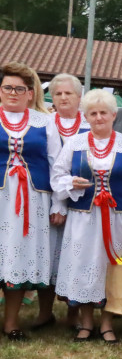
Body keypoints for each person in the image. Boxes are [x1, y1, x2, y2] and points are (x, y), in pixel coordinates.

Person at [53, 89, 122, 344]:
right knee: (85, 266)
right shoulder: (75, 143)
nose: (98, 117)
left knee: (112, 269)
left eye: (103, 112)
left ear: (113, 115)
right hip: (84, 218)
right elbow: (57, 176)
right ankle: (86, 322)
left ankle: (107, 323)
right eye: (93, 113)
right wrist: (70, 182)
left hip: (119, 218)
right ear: (86, 116)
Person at [0, 62, 61, 340]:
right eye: (7, 87)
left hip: (32, 201)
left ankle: (11, 323)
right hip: (1, 196)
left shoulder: (44, 121)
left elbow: (56, 164)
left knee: (18, 256)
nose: (13, 93)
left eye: (19, 89)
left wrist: (59, 203)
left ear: (29, 93)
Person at [37, 73, 89, 331]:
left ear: (80, 97)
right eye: (58, 93)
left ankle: (73, 313)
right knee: (48, 254)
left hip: (82, 203)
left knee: (76, 255)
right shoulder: (44, 124)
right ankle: (44, 313)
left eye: (69, 93)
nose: (63, 97)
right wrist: (57, 203)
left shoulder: (91, 125)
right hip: (47, 198)